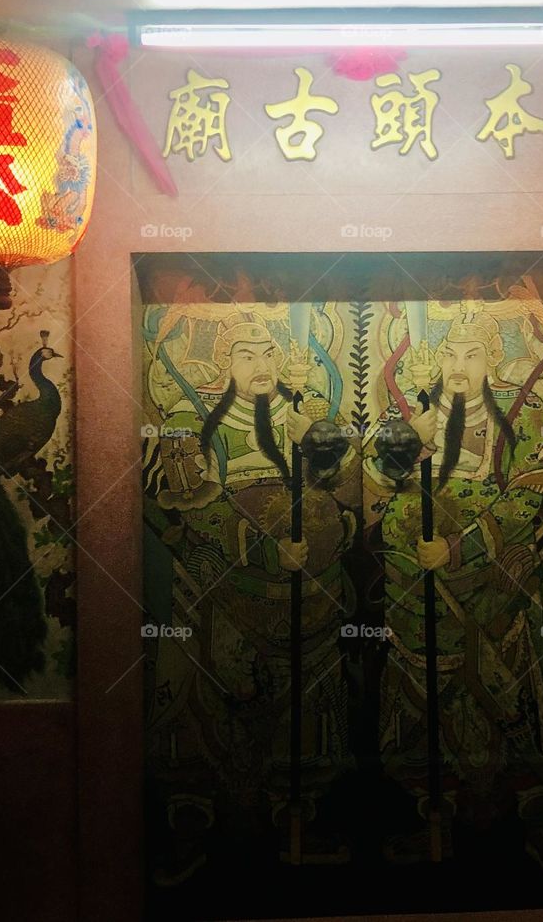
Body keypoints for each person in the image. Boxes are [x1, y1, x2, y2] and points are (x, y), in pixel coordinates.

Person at [367, 309, 543, 875]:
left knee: (512, 702)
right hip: (418, 593)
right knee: (426, 707)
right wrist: (403, 447)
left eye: (472, 354)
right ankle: (431, 820)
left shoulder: (522, 418)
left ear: (494, 361)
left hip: (498, 586)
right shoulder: (414, 421)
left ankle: (535, 820)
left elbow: (536, 490)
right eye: (449, 355)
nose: (459, 367)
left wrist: (463, 546)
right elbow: (368, 489)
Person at [144, 311, 360, 882]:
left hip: (308, 589)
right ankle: (196, 820)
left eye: (268, 354)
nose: (260, 366)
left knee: (306, 706)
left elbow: (352, 491)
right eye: (246, 355)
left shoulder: (307, 415)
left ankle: (301, 812)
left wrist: (313, 447)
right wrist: (256, 546)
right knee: (210, 698)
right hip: (225, 582)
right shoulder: (190, 420)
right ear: (223, 364)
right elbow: (188, 502)